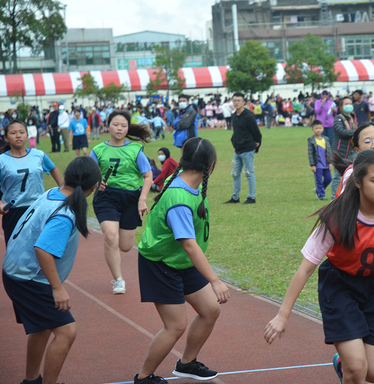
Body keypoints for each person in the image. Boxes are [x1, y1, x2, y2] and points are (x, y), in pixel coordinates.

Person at [264, 149, 374, 384]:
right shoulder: (336, 217)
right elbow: (305, 268)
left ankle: (342, 361)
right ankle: (349, 364)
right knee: (356, 369)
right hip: (341, 287)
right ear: (358, 182)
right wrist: (282, 316)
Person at [134, 137, 229, 384]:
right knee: (175, 325)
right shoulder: (179, 198)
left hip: (180, 261)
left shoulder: (187, 182)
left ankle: (186, 363)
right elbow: (189, 245)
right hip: (161, 264)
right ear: (210, 166)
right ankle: (143, 377)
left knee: (210, 310)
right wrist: (215, 280)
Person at [2, 156, 102, 384]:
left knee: (42, 328)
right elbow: (43, 251)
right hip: (28, 279)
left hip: (15, 271)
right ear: (92, 187)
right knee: (67, 331)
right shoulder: (64, 215)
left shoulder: (54, 191)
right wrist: (58, 288)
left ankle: (31, 380)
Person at [91, 110, 153, 295]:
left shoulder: (135, 149)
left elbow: (148, 175)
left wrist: (142, 200)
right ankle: (118, 279)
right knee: (110, 236)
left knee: (125, 246)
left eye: (124, 125)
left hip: (130, 199)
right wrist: (96, 182)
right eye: (116, 124)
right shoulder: (98, 150)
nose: (119, 128)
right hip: (106, 197)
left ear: (128, 128)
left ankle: (114, 243)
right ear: (108, 126)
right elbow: (89, 174)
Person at [0, 120, 62, 245]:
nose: (18, 135)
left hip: (38, 208)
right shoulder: (2, 160)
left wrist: (62, 189)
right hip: (13, 211)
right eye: (13, 133)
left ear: (27, 136)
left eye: (22, 132)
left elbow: (53, 168)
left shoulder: (39, 155)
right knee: (15, 251)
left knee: (39, 248)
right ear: (6, 138)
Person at [224, 92, 262, 205]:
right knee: (235, 173)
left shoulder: (249, 116)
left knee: (249, 173)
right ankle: (235, 197)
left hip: (248, 149)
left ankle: (251, 197)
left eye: (239, 100)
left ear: (243, 102)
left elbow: (257, 133)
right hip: (238, 149)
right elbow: (236, 132)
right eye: (234, 100)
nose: (236, 102)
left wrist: (257, 145)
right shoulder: (234, 115)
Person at [331, 96, 358, 200]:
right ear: (341, 107)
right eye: (346, 104)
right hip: (340, 151)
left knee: (353, 174)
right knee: (338, 176)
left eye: (350, 103)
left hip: (353, 151)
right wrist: (356, 131)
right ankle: (334, 199)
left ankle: (348, 197)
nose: (349, 106)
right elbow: (341, 131)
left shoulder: (353, 118)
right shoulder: (338, 118)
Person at [308, 120, 333, 201]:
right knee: (318, 180)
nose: (318, 130)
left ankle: (318, 190)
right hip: (317, 164)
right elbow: (310, 153)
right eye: (316, 128)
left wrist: (330, 163)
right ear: (312, 129)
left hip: (325, 163)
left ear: (323, 129)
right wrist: (312, 165)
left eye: (320, 128)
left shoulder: (326, 139)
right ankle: (321, 195)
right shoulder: (311, 140)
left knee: (329, 178)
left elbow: (329, 151)